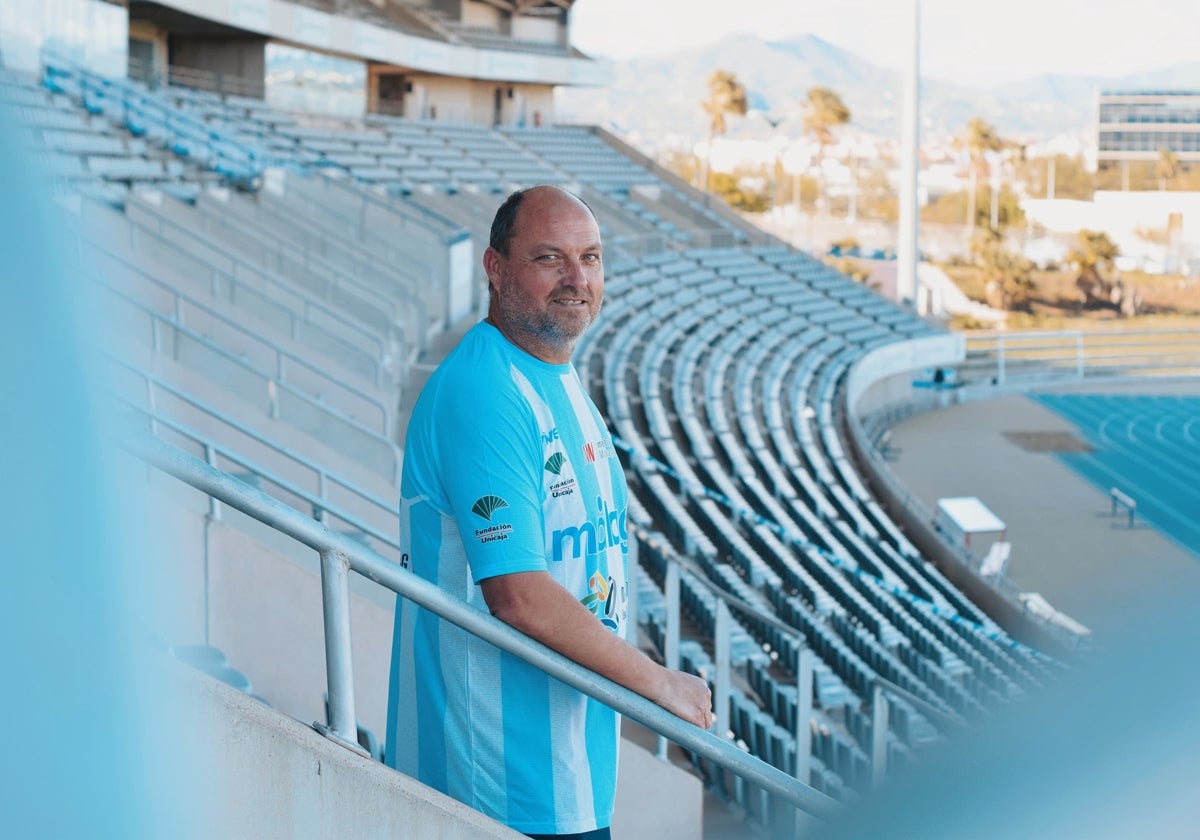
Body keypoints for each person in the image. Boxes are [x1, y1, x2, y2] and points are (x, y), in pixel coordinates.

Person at [385, 185, 712, 839]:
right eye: (549, 258)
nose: (576, 278)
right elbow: (519, 597)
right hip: (495, 783)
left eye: (590, 258)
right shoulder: (487, 391)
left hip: (566, 774)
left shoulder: (554, 375)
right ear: (495, 268)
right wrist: (658, 683)